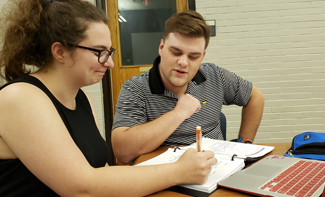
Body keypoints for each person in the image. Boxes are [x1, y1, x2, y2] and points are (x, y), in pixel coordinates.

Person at [0, 0, 217, 196]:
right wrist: (178, 171)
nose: (110, 63)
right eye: (99, 52)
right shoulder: (19, 97)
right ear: (60, 52)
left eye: (109, 52)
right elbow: (81, 187)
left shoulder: (81, 98)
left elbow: (102, 175)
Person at [112, 10, 265, 164]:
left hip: (215, 171)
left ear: (202, 57)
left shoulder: (215, 76)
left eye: (193, 57)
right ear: (161, 47)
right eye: (176, 52)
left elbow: (255, 97)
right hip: (162, 178)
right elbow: (123, 152)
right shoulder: (135, 88)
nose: (183, 62)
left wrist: (244, 143)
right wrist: (179, 113)